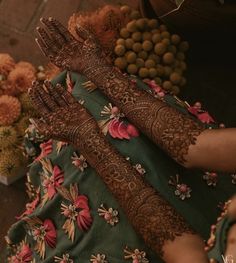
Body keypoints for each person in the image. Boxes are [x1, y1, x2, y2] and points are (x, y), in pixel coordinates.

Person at [6, 18, 236, 263]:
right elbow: (196, 146)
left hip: (178, 248)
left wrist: (89, 140)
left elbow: (182, 249)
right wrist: (99, 71)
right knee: (91, 94)